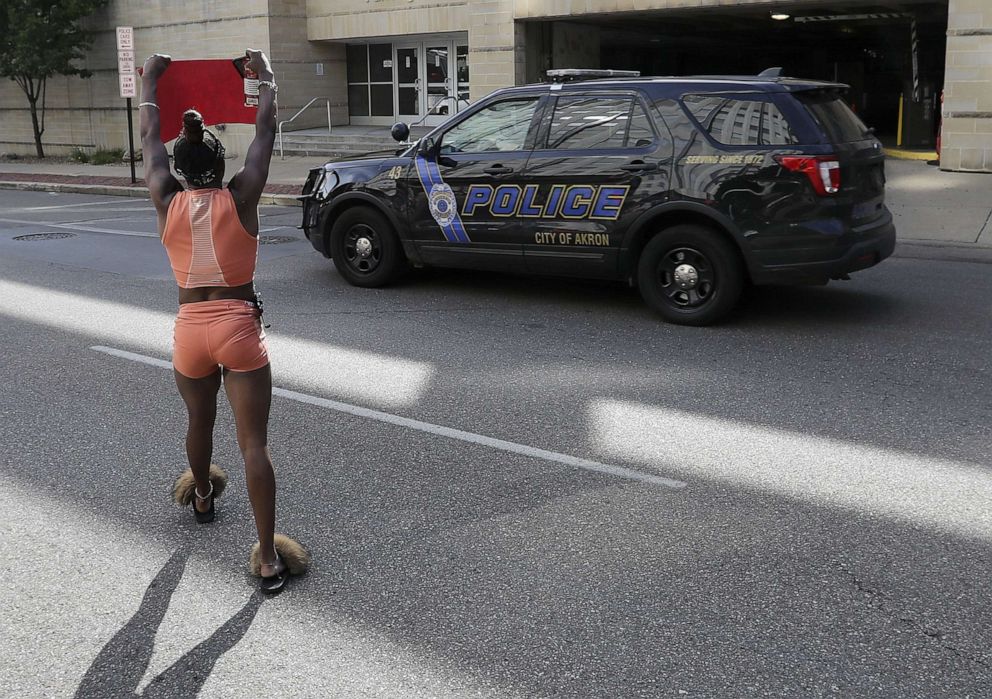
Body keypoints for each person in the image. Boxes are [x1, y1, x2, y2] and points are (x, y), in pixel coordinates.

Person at [139, 50, 308, 593]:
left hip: (189, 330)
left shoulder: (165, 199)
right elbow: (264, 132)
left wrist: (150, 82)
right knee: (253, 445)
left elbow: (149, 143)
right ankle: (266, 559)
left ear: (181, 169)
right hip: (238, 328)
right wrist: (267, 78)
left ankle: (204, 499)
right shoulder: (243, 195)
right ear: (221, 163)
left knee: (198, 424)